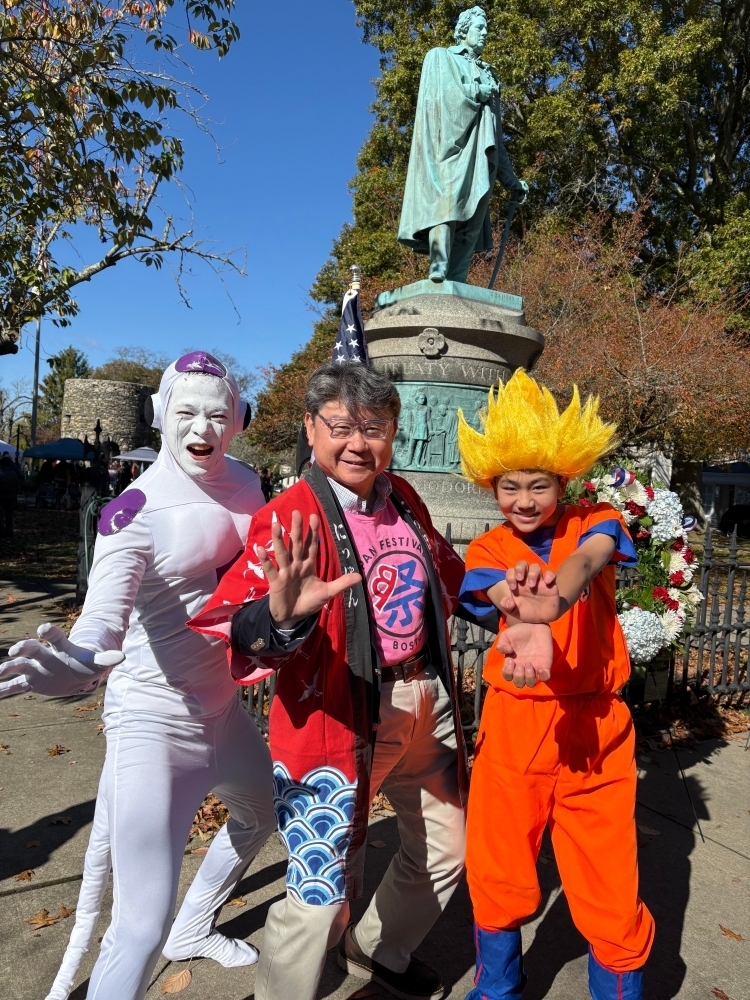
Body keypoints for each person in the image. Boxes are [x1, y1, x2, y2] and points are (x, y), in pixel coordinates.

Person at [191, 361, 490, 1000]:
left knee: (447, 849)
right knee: (317, 891)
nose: (358, 444)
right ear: (311, 428)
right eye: (341, 427)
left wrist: (519, 605)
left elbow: (450, 575)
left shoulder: (402, 496)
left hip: (426, 699)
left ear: (393, 433)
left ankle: (379, 949)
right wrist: (280, 617)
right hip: (337, 715)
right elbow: (235, 623)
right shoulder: (289, 516)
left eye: (374, 428)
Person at [0, 352, 276, 1000]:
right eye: (188, 412)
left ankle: (195, 926)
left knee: (261, 814)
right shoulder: (134, 510)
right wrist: (75, 665)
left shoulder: (250, 482)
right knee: (139, 927)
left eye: (217, 414)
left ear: (238, 418)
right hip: (153, 724)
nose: (202, 428)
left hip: (224, 712)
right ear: (159, 414)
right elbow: (102, 621)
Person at [456, 370, 655, 1000]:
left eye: (538, 485)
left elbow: (586, 560)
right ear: (491, 487)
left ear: (562, 484)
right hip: (515, 724)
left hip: (596, 727)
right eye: (509, 486)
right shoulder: (487, 548)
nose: (524, 500)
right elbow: (496, 593)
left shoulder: (598, 518)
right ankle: (497, 990)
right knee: (498, 864)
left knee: (608, 875)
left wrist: (554, 604)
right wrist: (523, 615)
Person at [398, 6, 528, 282]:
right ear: (464, 30)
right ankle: (439, 266)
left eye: (486, 28)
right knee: (446, 206)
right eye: (479, 27)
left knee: (472, 223)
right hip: (448, 151)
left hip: (483, 159)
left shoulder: (490, 74)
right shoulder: (441, 58)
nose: (485, 33)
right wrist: (476, 91)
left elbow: (495, 133)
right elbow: (441, 101)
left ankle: (457, 279)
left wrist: (511, 180)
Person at [0, 452, 19, 538]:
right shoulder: (13, 474)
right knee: (9, 514)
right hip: (10, 497)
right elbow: (17, 486)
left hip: (1, 496)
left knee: (1, 514)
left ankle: (1, 530)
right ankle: (9, 530)